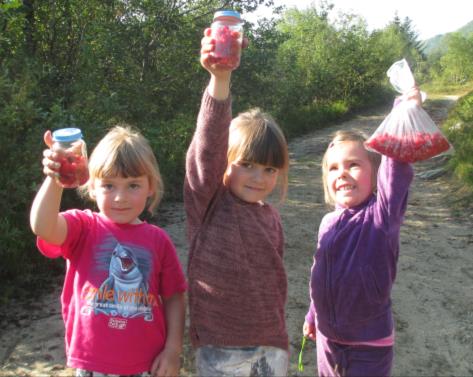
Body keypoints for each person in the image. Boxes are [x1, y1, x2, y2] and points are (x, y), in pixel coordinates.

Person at [30, 125, 187, 377]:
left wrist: (173, 350)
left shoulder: (158, 240)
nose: (119, 198)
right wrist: (55, 178)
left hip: (146, 364)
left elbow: (174, 297)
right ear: (91, 187)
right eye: (109, 186)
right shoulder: (83, 227)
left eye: (133, 185)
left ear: (151, 187)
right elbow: (42, 226)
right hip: (92, 365)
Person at [183, 27, 290, 376]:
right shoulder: (210, 204)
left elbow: (276, 285)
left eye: (269, 169)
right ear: (224, 164)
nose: (258, 177)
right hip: (219, 347)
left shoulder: (271, 217)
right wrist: (220, 78)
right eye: (246, 165)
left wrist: (280, 336)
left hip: (270, 345)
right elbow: (209, 144)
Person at [303, 89, 422, 376]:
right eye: (333, 169)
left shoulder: (382, 217)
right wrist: (312, 314)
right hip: (328, 340)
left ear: (376, 173)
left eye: (353, 165)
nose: (341, 173)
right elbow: (321, 273)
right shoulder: (327, 224)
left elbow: (395, 167)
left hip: (369, 344)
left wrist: (402, 112)